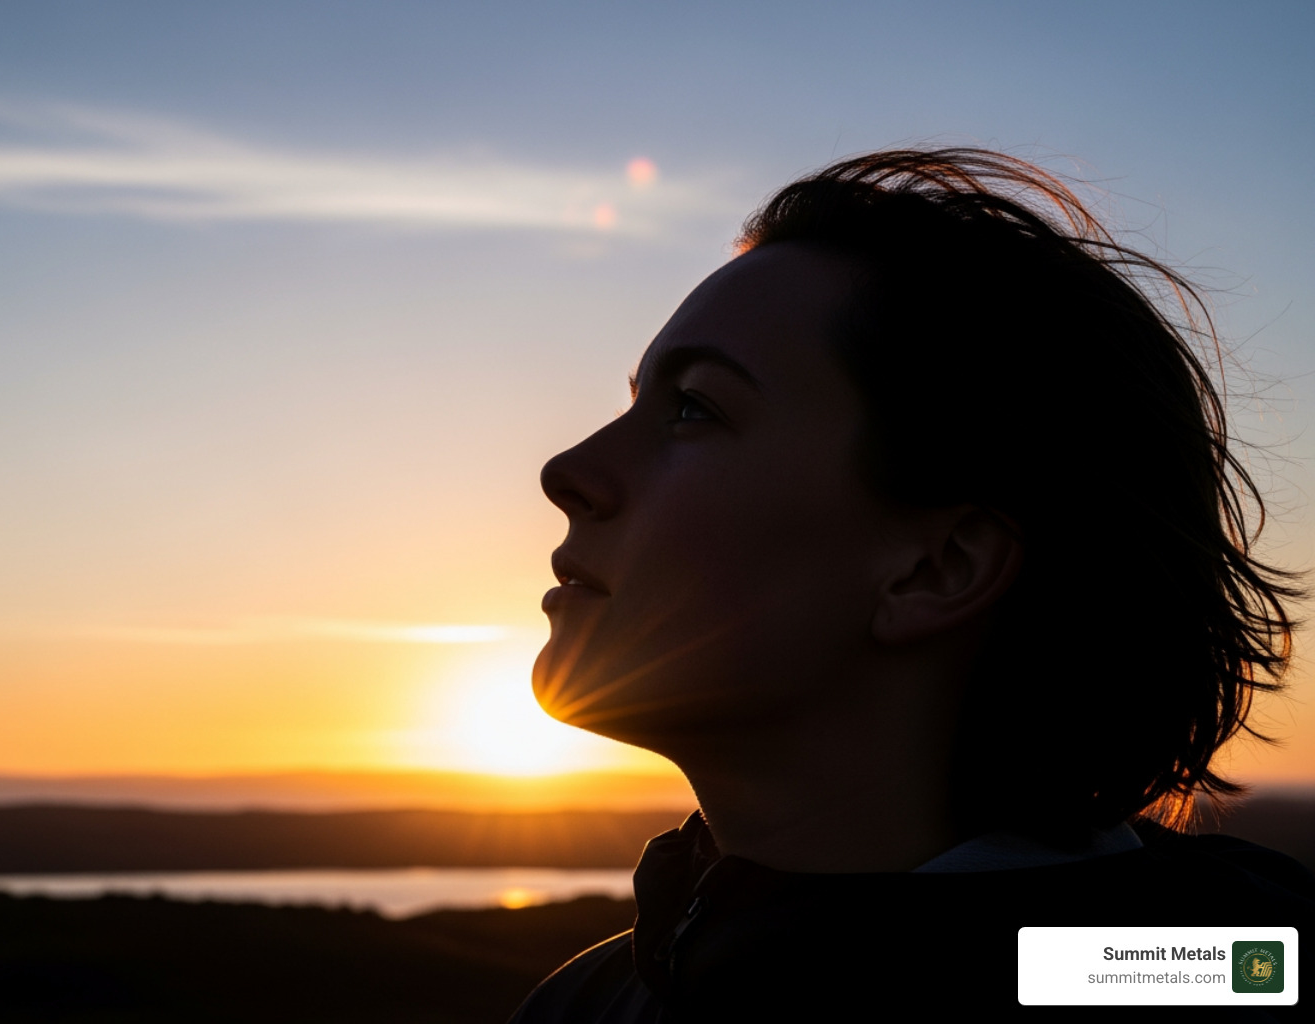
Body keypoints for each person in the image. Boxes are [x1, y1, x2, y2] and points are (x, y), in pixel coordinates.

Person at [511, 148, 1311, 1020]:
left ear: (938, 568)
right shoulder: (589, 1004)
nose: (568, 470)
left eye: (695, 407)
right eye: (636, 404)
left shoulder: (1227, 980)